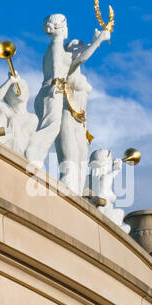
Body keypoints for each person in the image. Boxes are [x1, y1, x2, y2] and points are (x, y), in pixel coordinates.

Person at [25, 12, 112, 195]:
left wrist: (93, 41)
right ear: (62, 27)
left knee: (51, 128)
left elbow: (73, 59)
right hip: (53, 90)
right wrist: (99, 40)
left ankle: (34, 157)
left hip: (50, 91)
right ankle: (31, 156)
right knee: (51, 128)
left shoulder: (53, 46)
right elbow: (72, 61)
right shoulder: (57, 46)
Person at [0, 74, 36, 157]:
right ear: (7, 96)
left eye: (21, 85)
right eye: (13, 87)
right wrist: (9, 82)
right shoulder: (6, 112)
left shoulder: (33, 118)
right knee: (3, 122)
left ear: (28, 92)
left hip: (22, 160)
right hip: (5, 153)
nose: (18, 87)